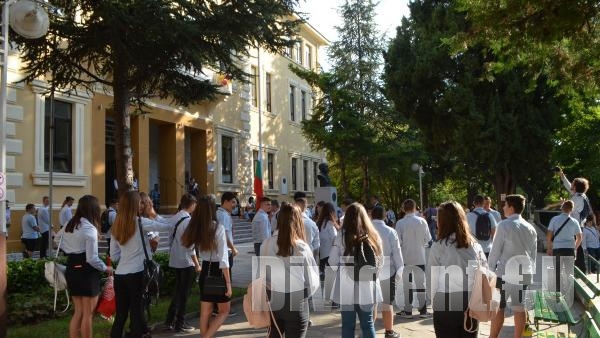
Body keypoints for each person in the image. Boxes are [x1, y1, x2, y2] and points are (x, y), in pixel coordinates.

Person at [109, 191, 173, 338]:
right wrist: (154, 214)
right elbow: (168, 226)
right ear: (134, 205)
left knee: (121, 315)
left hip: (120, 274)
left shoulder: (116, 226)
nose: (142, 204)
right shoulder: (141, 222)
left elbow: (114, 255)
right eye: (140, 202)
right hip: (137, 273)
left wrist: (127, 257)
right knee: (137, 312)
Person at [260, 204, 320, 338]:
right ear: (298, 221)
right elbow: (312, 280)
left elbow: (263, 275)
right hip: (296, 299)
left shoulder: (266, 244)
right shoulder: (301, 247)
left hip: (273, 299)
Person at [429, 201, 487, 338]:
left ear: (442, 221)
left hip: (445, 302)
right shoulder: (474, 245)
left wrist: (433, 303)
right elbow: (484, 272)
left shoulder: (439, 246)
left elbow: (432, 279)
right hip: (470, 302)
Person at [60, 195, 112, 338]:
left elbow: (56, 238)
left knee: (78, 312)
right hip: (86, 272)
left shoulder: (69, 224)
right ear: (93, 210)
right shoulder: (89, 229)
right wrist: (106, 268)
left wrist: (69, 248)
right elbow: (92, 259)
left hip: (71, 268)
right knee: (88, 314)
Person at [329, 202, 383, 338]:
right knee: (368, 324)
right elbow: (380, 261)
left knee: (348, 325)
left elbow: (332, 261)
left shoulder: (341, 235)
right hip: (368, 285)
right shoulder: (373, 235)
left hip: (346, 287)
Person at [488, 194, 537, 338]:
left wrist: (490, 271)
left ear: (511, 207)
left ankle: (493, 337)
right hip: (523, 272)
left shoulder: (503, 225)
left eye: (505, 205)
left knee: (498, 308)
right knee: (519, 308)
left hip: (504, 273)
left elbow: (495, 251)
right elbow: (533, 255)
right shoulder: (530, 227)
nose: (503, 207)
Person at [182, 195, 232, 338]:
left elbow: (189, 249)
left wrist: (197, 264)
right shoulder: (218, 228)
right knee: (224, 310)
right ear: (212, 209)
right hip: (218, 271)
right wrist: (228, 283)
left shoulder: (194, 227)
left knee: (206, 312)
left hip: (205, 269)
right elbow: (223, 258)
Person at [164, 193, 199, 333]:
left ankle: (169, 320)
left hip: (175, 259)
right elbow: (190, 246)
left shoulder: (174, 217)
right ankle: (180, 323)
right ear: (192, 205)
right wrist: (197, 264)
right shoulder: (188, 220)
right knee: (184, 294)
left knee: (177, 292)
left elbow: (168, 240)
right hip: (186, 261)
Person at [395, 198, 432, 318]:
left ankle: (408, 311)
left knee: (407, 285)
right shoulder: (422, 221)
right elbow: (428, 239)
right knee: (421, 284)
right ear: (415, 208)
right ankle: (423, 311)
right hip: (420, 257)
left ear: (403, 209)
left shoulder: (400, 223)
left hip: (406, 257)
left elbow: (398, 242)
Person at [371, 206, 403, 338]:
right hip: (387, 270)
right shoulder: (390, 231)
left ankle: (369, 329)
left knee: (370, 302)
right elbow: (397, 252)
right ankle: (389, 331)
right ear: (385, 216)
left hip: (368, 269)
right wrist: (400, 270)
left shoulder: (365, 230)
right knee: (387, 302)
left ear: (371, 216)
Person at [545, 200, 582, 291]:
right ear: (572, 210)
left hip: (557, 248)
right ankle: (569, 292)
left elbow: (549, 235)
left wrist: (549, 248)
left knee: (557, 271)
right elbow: (580, 237)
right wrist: (575, 248)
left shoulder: (554, 219)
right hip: (569, 249)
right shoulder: (574, 221)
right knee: (569, 272)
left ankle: (558, 291)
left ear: (562, 208)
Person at [215, 191, 239, 317]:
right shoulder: (223, 215)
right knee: (225, 279)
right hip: (226, 251)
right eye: (233, 202)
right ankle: (223, 308)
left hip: (224, 250)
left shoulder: (222, 214)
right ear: (226, 202)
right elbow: (223, 234)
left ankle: (218, 307)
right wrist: (233, 248)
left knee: (222, 279)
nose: (235, 205)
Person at [316, 202, 339, 280]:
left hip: (322, 254)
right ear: (332, 212)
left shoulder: (319, 222)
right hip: (330, 255)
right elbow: (334, 238)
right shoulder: (329, 223)